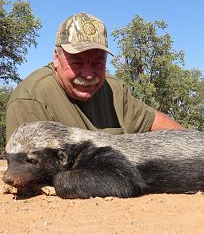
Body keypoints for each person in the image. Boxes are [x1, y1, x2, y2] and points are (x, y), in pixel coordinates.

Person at [6, 12, 184, 142]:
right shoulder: (31, 100)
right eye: (76, 63)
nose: (89, 74)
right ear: (56, 58)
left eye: (98, 63)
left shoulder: (114, 89)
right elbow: (30, 167)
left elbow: (153, 121)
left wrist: (200, 146)